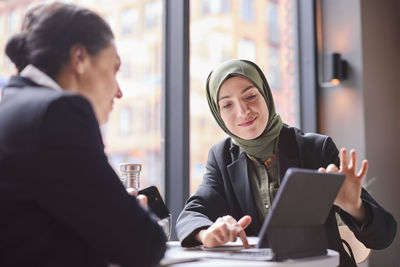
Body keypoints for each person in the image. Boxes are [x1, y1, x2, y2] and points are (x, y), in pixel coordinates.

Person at [175, 59, 397, 267]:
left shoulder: (316, 149)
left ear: (266, 96)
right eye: (227, 105)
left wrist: (354, 207)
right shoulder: (221, 157)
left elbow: (384, 236)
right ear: (218, 113)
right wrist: (206, 233)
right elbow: (191, 214)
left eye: (250, 96)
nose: (243, 112)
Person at [0, 3, 166, 267]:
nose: (119, 91)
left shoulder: (14, 106)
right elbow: (144, 245)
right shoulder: (58, 113)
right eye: (114, 69)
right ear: (79, 59)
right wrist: (129, 210)